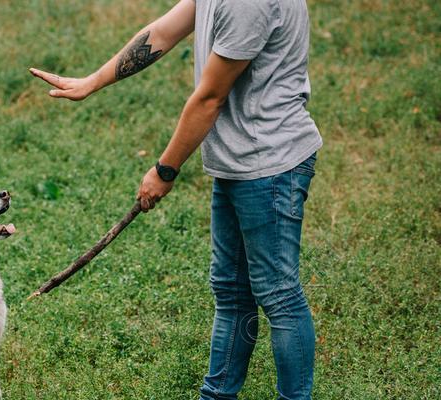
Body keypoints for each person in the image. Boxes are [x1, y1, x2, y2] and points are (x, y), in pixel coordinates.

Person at [29, 0, 322, 398]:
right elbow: (163, 33)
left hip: (269, 164)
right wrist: (92, 81)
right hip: (240, 161)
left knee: (278, 294)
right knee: (232, 292)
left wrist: (165, 170)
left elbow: (210, 98)